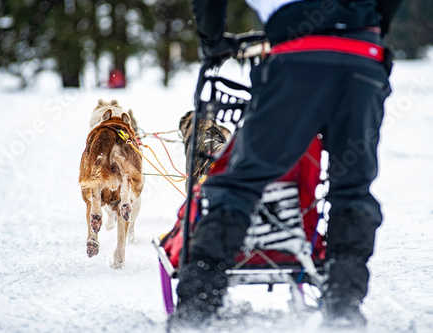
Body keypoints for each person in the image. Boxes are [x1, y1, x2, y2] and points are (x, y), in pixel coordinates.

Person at [171, 0, 403, 328]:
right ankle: (344, 305)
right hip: (362, 58)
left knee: (239, 183)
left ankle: (197, 307)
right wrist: (370, 24)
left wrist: (212, 41)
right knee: (352, 187)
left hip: (297, 56)